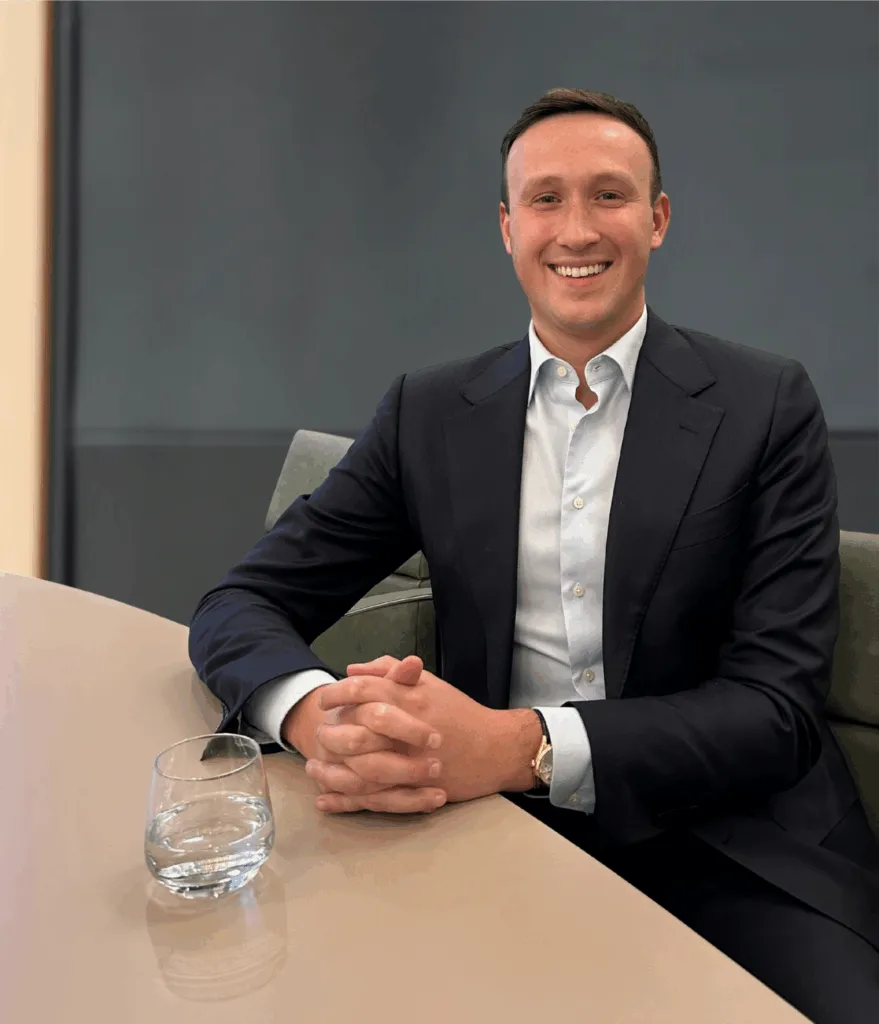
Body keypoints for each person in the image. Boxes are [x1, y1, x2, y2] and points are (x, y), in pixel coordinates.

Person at [189, 88, 879, 1022]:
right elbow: (238, 604)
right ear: (508, 228)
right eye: (545, 199)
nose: (576, 229)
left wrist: (519, 746)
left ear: (656, 220)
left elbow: (775, 711)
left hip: (734, 839)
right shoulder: (430, 413)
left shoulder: (765, 404)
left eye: (608, 195)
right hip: (486, 829)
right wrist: (318, 720)